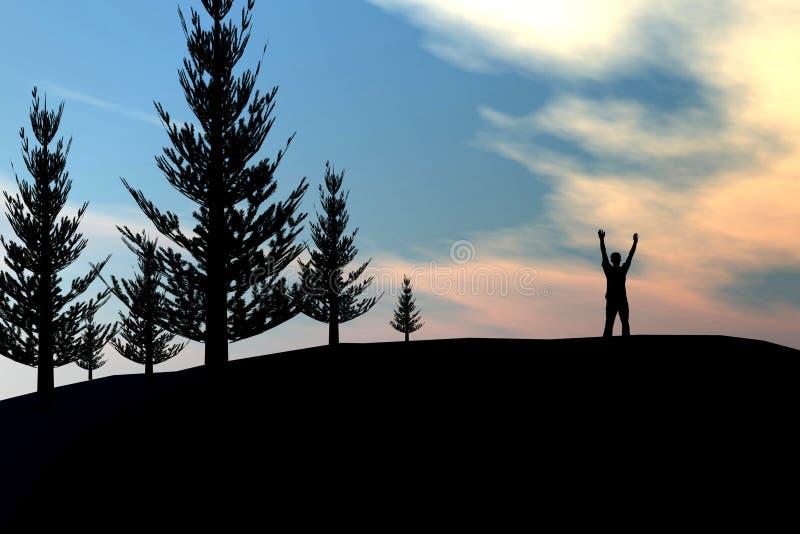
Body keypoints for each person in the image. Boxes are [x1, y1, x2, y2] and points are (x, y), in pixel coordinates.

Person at [598, 229, 638, 337]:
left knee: (612, 324)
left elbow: (604, 253)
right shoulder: (620, 270)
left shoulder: (611, 270)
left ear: (612, 260)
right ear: (619, 260)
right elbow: (630, 256)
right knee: (620, 324)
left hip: (616, 300)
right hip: (618, 300)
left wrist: (601, 240)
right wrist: (635, 243)